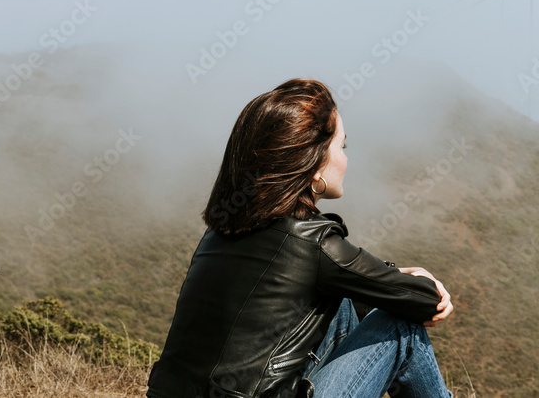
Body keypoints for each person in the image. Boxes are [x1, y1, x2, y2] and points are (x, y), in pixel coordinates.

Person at [146, 78, 455, 398]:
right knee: (400, 327)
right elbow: (426, 302)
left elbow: (352, 281)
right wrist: (420, 280)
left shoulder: (218, 231)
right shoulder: (311, 239)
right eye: (342, 146)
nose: (346, 159)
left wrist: (393, 278)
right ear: (316, 163)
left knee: (342, 300)